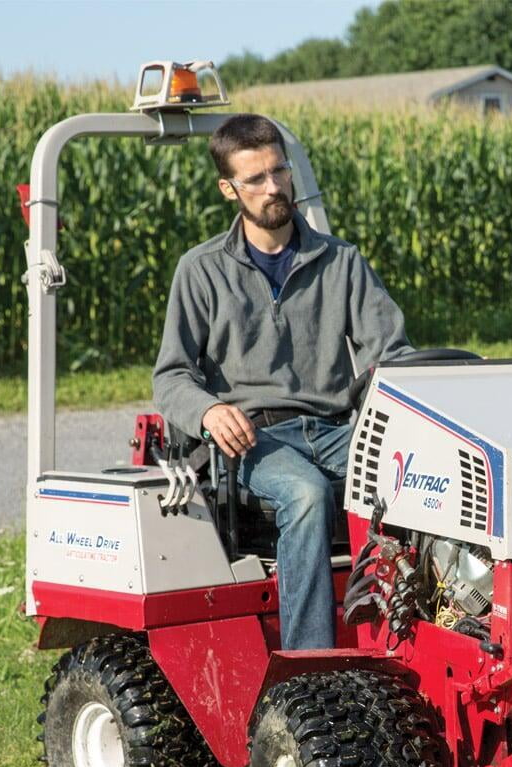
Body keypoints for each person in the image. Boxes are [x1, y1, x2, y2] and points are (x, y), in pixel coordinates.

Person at [153, 113, 413, 651]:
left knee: (421, 478)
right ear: (229, 189)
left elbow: (392, 356)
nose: (274, 187)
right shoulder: (200, 271)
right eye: (256, 179)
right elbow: (172, 376)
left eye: (279, 171)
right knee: (308, 494)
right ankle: (309, 667)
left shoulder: (340, 261)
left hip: (339, 428)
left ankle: (413, 642)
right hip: (254, 439)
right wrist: (208, 412)